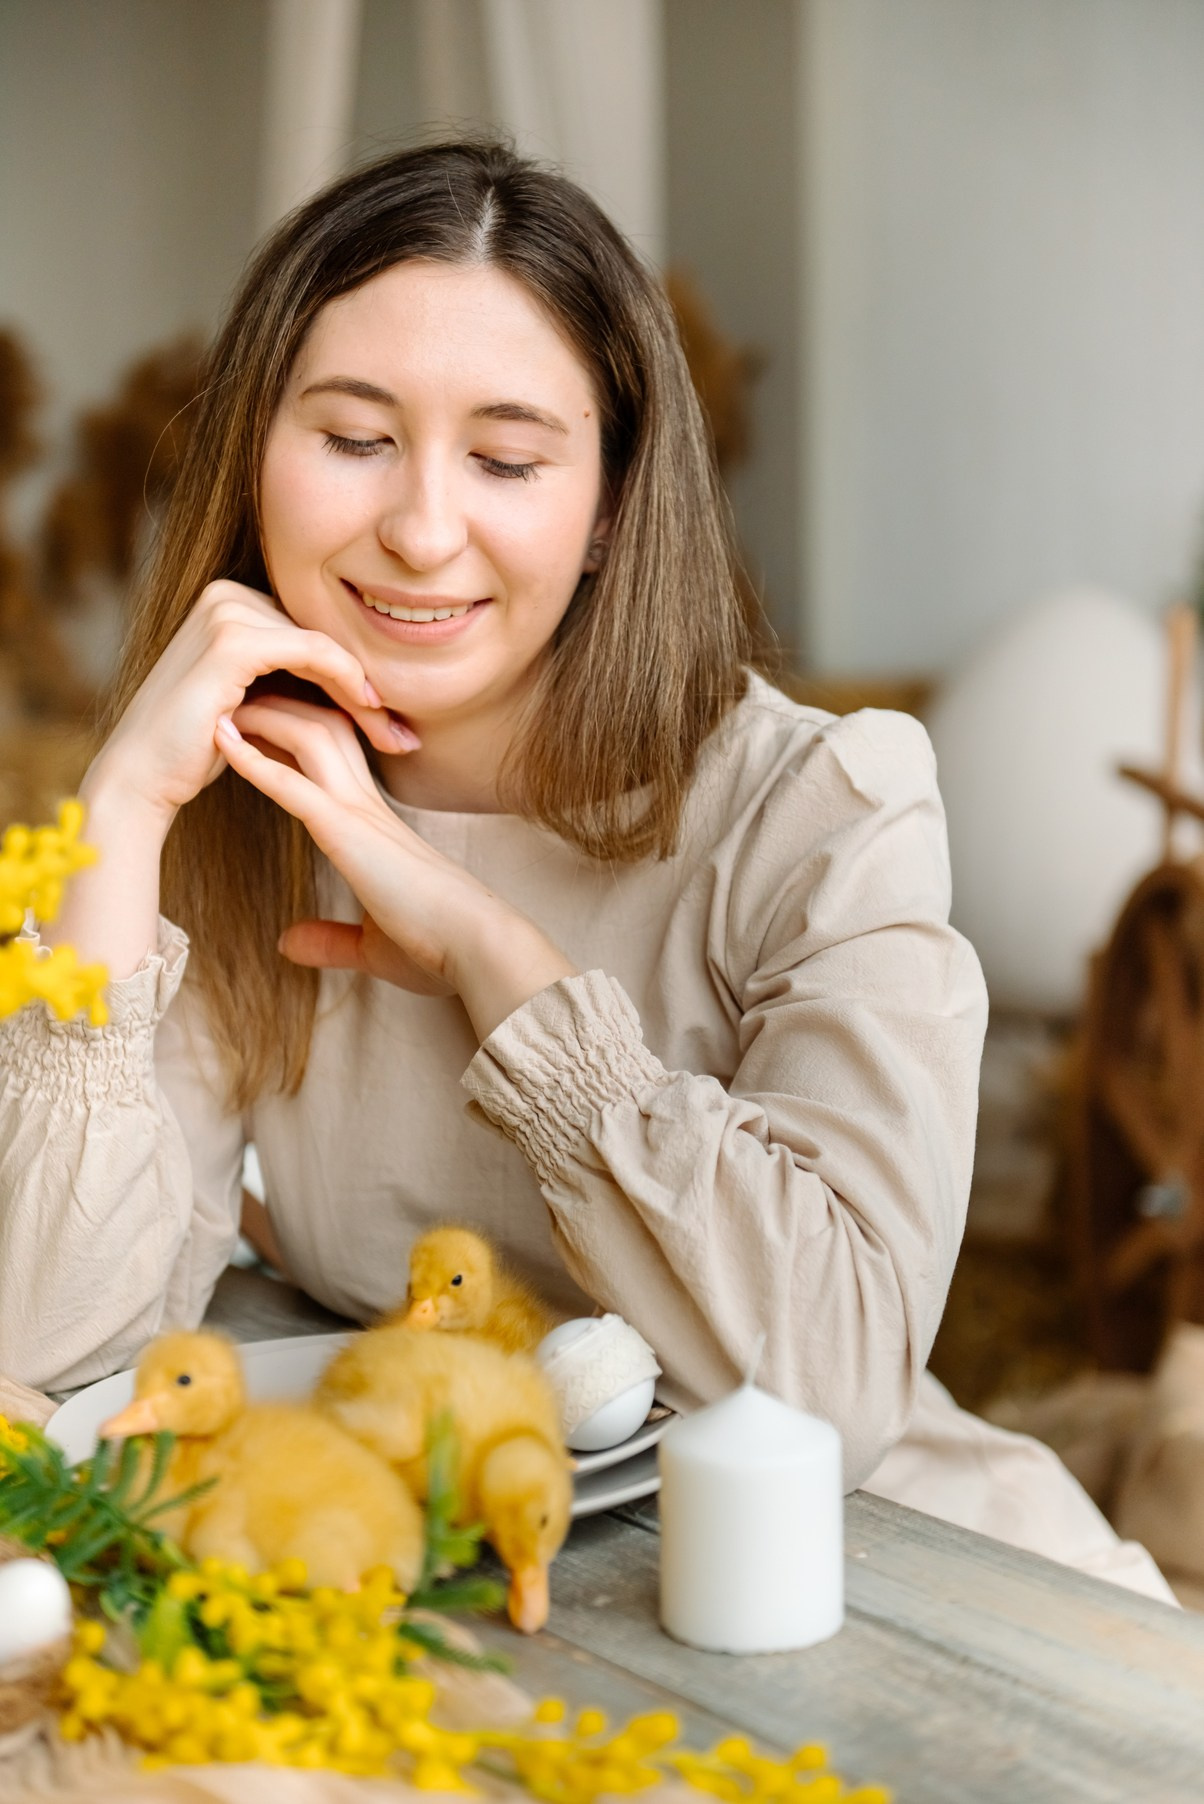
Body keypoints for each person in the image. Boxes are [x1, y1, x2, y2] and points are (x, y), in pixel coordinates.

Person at [0, 140, 1171, 1600]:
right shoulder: (233, 799)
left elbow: (837, 1392)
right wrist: (116, 816)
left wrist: (494, 962)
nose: (423, 532)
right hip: (428, 1562)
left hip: (851, 1572)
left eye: (506, 460)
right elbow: (34, 1352)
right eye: (354, 438)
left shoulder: (818, 806)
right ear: (253, 456)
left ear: (612, 501)